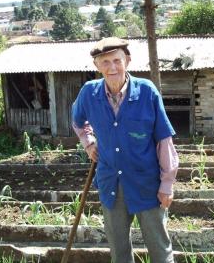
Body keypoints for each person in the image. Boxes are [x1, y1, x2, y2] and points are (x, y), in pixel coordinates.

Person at [72, 37, 179, 263]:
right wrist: (89, 143)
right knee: (119, 251)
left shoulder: (147, 92)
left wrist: (167, 184)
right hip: (111, 182)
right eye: (105, 62)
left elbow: (163, 139)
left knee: (160, 249)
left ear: (127, 61)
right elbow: (77, 121)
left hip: (147, 184)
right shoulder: (89, 93)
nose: (112, 67)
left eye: (117, 60)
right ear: (97, 66)